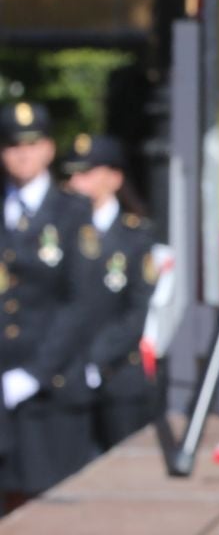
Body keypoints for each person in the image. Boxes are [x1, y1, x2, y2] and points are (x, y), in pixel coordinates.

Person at [0, 101, 100, 506]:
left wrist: (35, 372)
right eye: (11, 145)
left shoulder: (72, 212)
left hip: (51, 384)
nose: (22, 154)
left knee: (49, 506)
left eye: (31, 144)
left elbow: (80, 303)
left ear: (47, 150)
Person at [58, 134, 158, 454]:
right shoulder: (56, 233)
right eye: (71, 173)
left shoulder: (134, 235)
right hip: (64, 375)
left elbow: (137, 311)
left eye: (86, 172)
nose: (76, 182)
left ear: (114, 178)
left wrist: (96, 359)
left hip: (118, 378)